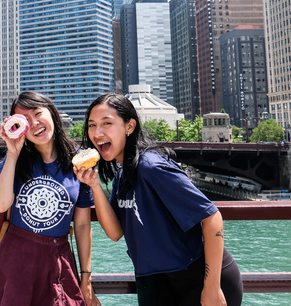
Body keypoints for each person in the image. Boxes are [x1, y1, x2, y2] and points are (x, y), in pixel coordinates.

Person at [76, 93, 243, 306]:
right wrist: (95, 185)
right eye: (92, 125)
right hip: (156, 279)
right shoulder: (123, 174)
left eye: (107, 123)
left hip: (198, 276)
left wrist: (211, 287)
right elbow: (115, 232)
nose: (97, 133)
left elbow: (212, 218)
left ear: (130, 126)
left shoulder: (150, 167)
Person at [0, 91, 99, 306]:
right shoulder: (16, 162)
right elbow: (0, 205)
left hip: (59, 264)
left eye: (38, 113)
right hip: (15, 263)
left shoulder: (78, 161)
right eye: (25, 121)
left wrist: (86, 276)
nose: (35, 123)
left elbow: (82, 225)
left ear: (52, 114)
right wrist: (12, 152)